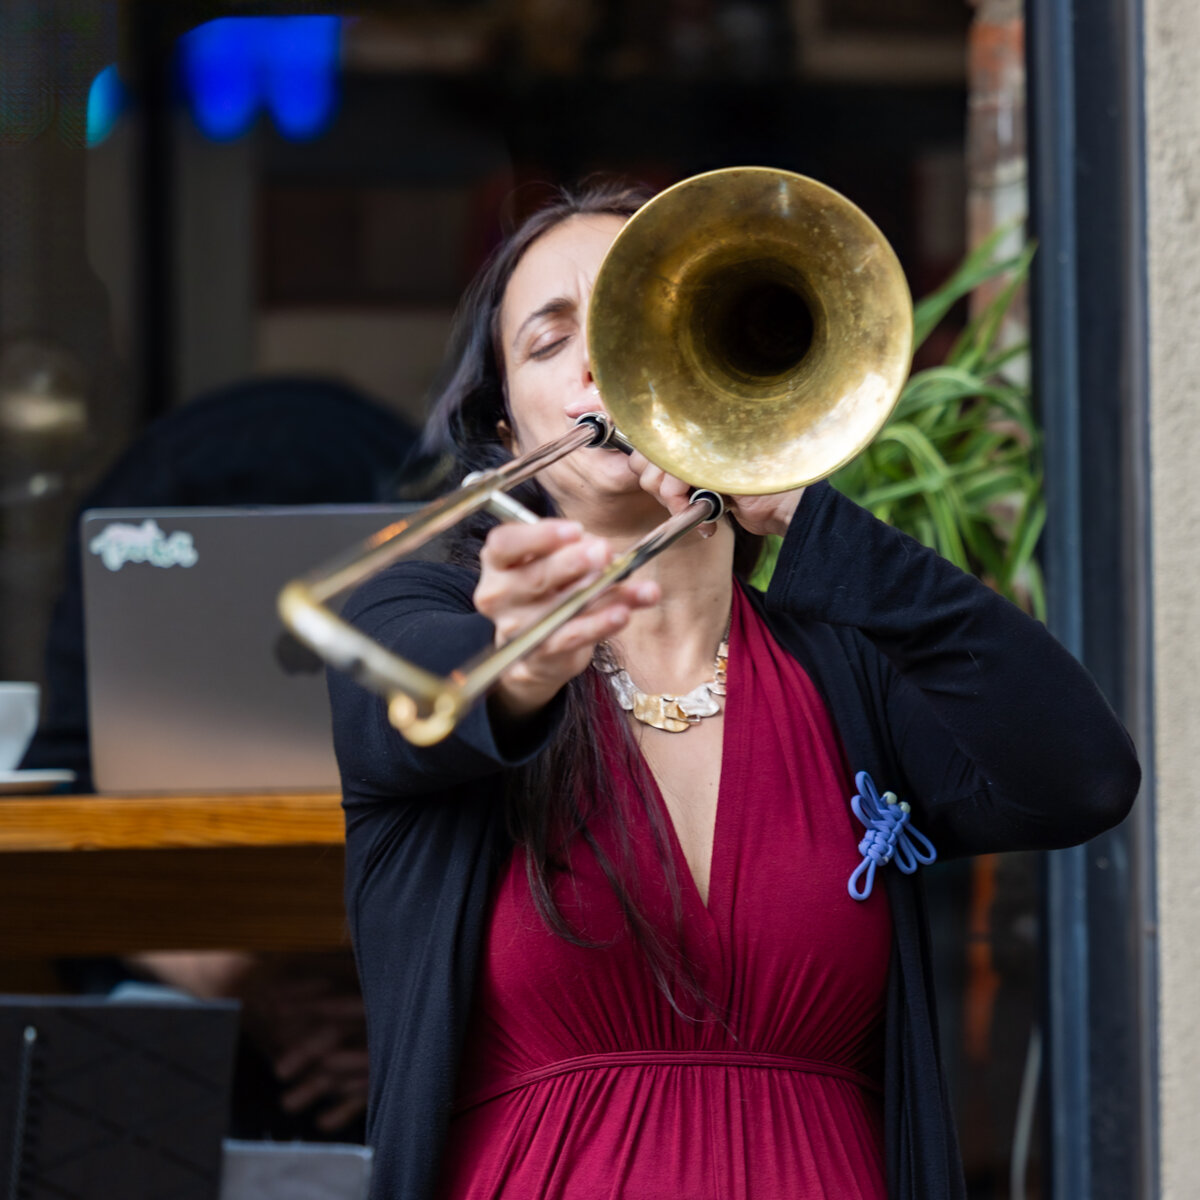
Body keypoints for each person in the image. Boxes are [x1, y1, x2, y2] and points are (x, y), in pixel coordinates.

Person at [328, 180, 1140, 1200]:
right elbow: (410, 710)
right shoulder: (418, 615)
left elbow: (1082, 777)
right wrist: (530, 655)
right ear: (507, 424)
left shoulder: (839, 671)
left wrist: (821, 526)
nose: (598, 360)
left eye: (636, 316)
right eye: (548, 342)